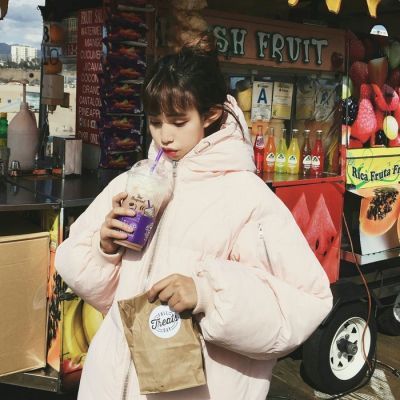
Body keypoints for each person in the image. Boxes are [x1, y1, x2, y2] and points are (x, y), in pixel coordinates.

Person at [55, 45, 333, 400]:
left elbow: (304, 302)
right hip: (109, 383)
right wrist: (104, 248)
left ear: (211, 114)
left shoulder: (245, 195)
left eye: (178, 121)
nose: (164, 136)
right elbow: (106, 294)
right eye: (155, 122)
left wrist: (206, 294)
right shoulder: (134, 182)